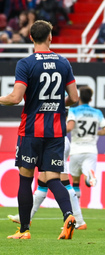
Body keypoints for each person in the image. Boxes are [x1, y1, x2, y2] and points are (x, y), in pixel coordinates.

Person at [1, 20, 79, 240]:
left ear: (30, 38)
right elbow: (74, 98)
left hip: (31, 130)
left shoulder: (25, 64)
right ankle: (68, 216)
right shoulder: (64, 63)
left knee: (26, 179)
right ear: (51, 37)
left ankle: (24, 230)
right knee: (53, 179)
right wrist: (55, 104)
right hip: (55, 131)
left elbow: (15, 98)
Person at [8, 135, 87, 230]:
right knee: (43, 181)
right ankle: (26, 217)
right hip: (50, 139)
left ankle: (78, 220)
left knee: (60, 180)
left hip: (53, 139)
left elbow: (69, 126)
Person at [67, 86, 105, 198]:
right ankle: (88, 177)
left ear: (79, 97)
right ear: (91, 99)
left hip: (76, 149)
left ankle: (75, 207)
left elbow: (70, 127)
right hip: (91, 150)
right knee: (86, 175)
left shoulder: (73, 110)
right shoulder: (97, 112)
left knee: (75, 181)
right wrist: (95, 132)